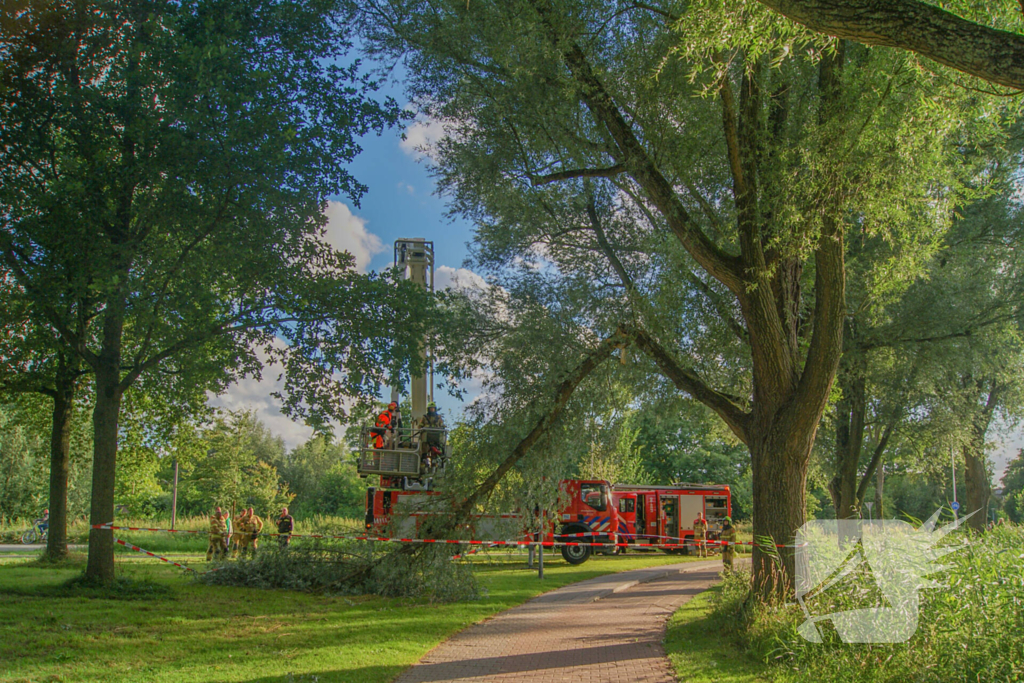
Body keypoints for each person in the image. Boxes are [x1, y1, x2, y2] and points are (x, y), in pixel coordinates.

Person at [415, 402, 445, 467]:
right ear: (428, 409)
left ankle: (435, 461)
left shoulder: (438, 417)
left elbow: (442, 426)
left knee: (437, 447)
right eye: (431, 408)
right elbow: (420, 426)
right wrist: (421, 428)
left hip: (436, 435)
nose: (432, 410)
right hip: (426, 435)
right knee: (424, 445)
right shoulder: (425, 417)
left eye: (433, 408)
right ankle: (423, 458)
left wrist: (443, 427)